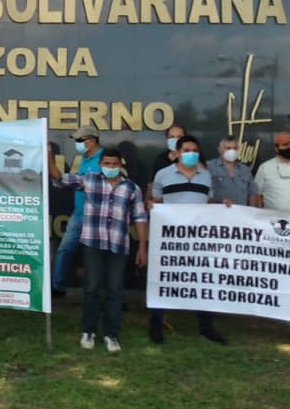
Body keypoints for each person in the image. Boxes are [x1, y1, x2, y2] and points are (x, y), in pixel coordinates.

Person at [50, 148, 148, 353]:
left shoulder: (131, 188)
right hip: (93, 243)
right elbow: (60, 179)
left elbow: (140, 218)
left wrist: (142, 248)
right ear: (101, 164)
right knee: (92, 288)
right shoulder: (90, 180)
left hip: (118, 245)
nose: (110, 167)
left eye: (114, 164)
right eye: (107, 164)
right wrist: (49, 156)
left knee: (115, 290)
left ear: (120, 165)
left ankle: (111, 334)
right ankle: (88, 331)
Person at [149, 135, 228, 345]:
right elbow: (155, 199)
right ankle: (156, 325)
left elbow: (208, 201)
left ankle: (206, 327)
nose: (190, 153)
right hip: (171, 238)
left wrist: (224, 205)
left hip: (198, 238)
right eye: (186, 150)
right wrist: (150, 204)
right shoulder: (163, 174)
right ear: (177, 153)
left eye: (194, 150)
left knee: (202, 279)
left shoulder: (205, 176)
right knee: (164, 278)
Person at [52, 126, 103, 297]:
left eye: (80, 140)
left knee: (98, 257)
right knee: (64, 250)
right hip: (79, 213)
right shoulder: (85, 159)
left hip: (97, 217)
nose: (77, 144)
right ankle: (57, 287)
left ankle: (103, 294)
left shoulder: (102, 159)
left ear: (92, 140)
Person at [207, 136, 261, 207]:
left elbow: (252, 193)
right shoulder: (209, 167)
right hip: (218, 213)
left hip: (241, 214)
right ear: (220, 150)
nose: (232, 151)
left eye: (234, 148)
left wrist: (252, 210)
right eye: (228, 148)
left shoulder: (245, 169)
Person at [147, 124, 186, 193]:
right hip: (164, 201)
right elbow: (153, 184)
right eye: (172, 137)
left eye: (179, 137)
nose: (176, 140)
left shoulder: (191, 158)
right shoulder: (160, 159)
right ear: (167, 140)